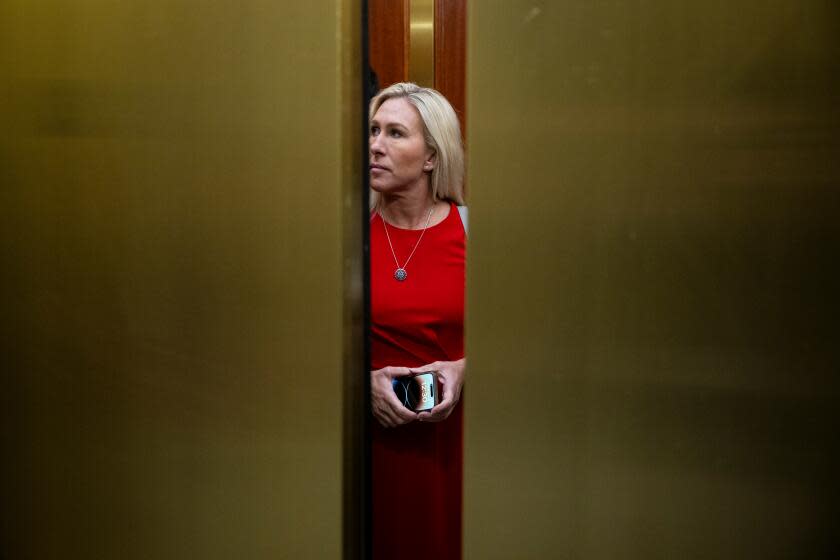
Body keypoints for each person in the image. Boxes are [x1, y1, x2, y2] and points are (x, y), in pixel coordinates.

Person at [369, 82, 466, 560]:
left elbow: (530, 344)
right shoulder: (347, 235)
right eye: (372, 130)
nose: (375, 145)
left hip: (453, 451)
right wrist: (358, 384)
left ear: (431, 156)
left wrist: (465, 368)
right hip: (367, 450)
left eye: (394, 133)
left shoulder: (471, 232)